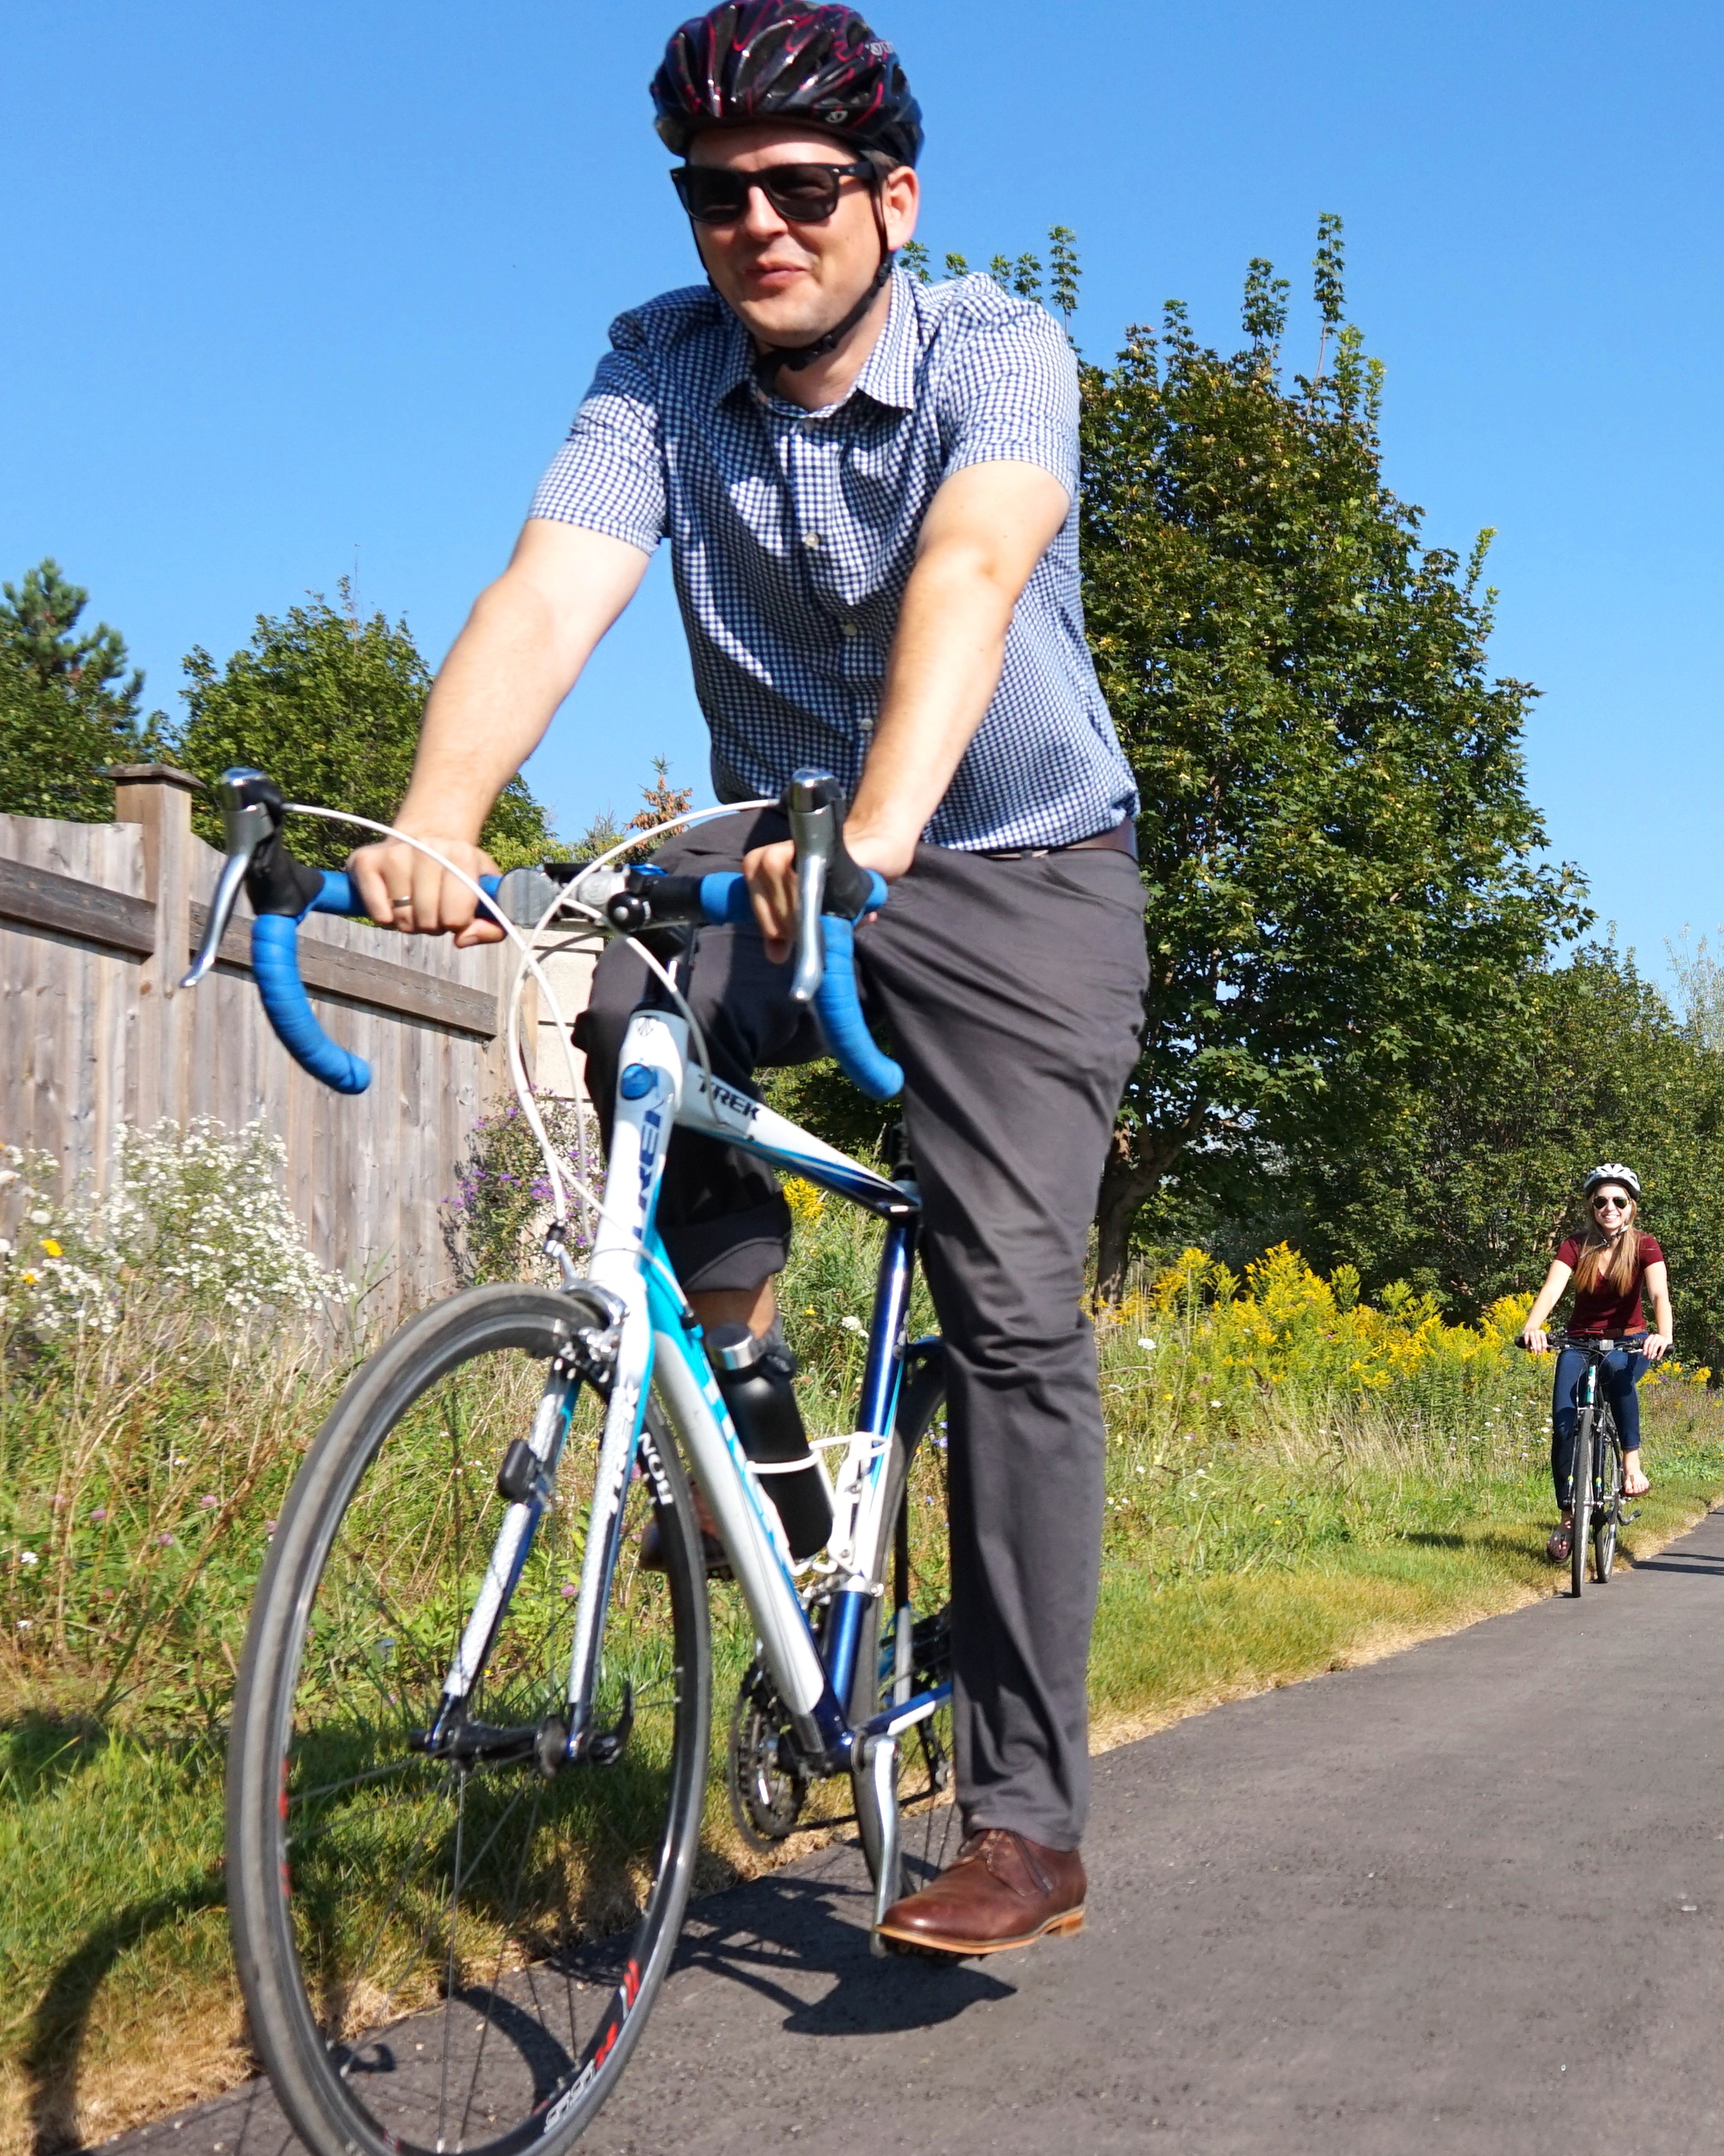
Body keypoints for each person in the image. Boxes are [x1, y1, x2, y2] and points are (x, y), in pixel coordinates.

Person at [343, 1, 1142, 1961]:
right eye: (714, 195)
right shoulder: (658, 367)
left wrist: (870, 834)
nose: (755, 228)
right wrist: (435, 820)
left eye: (798, 190)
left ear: (892, 195)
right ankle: (745, 1416)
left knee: (1011, 1302)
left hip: (1012, 862)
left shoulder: (996, 348)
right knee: (606, 1003)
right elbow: (549, 587)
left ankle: (1026, 1813)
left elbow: (967, 569)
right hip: (777, 841)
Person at [1518, 1164, 1675, 1559]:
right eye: (1601, 1201)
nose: (1610, 1207)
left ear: (1631, 1207)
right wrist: (1533, 1327)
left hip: (1629, 1343)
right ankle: (1569, 1518)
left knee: (1618, 1375)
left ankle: (1631, 1466)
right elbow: (1552, 1288)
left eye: (1618, 1201)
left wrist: (1663, 1334)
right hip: (1578, 1341)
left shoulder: (1645, 1246)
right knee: (1565, 1420)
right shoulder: (1575, 1245)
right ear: (1592, 1206)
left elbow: (1659, 1295)